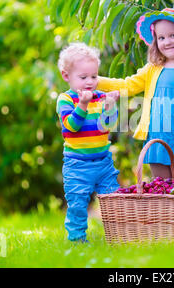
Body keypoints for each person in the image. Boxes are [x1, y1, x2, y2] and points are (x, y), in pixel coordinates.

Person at [97, 8, 174, 184]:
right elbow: (128, 84)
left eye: (173, 35)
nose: (167, 42)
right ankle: (163, 213)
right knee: (161, 189)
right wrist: (95, 81)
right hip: (157, 139)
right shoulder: (153, 69)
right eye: (161, 38)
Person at [56, 42, 120, 243]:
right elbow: (71, 126)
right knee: (77, 204)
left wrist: (110, 106)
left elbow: (107, 125)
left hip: (103, 162)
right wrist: (82, 104)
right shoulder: (65, 99)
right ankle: (77, 239)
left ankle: (117, 237)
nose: (90, 82)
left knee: (113, 201)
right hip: (77, 165)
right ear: (67, 76)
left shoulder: (100, 97)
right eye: (83, 77)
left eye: (94, 76)